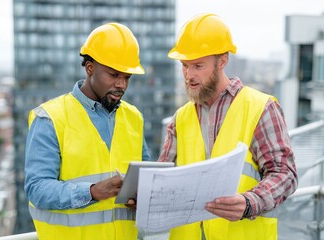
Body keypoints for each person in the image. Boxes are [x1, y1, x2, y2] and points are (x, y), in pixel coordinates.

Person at [158, 13, 298, 240]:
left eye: (198, 66)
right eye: (184, 66)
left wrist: (249, 202)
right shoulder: (180, 119)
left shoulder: (261, 107)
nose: (189, 75)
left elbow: (285, 174)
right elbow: (162, 180)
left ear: (222, 61)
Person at [24, 22, 151, 240]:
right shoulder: (51, 118)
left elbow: (147, 177)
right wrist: (91, 191)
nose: (121, 84)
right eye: (113, 75)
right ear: (90, 67)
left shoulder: (134, 117)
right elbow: (37, 188)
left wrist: (145, 196)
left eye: (127, 77)